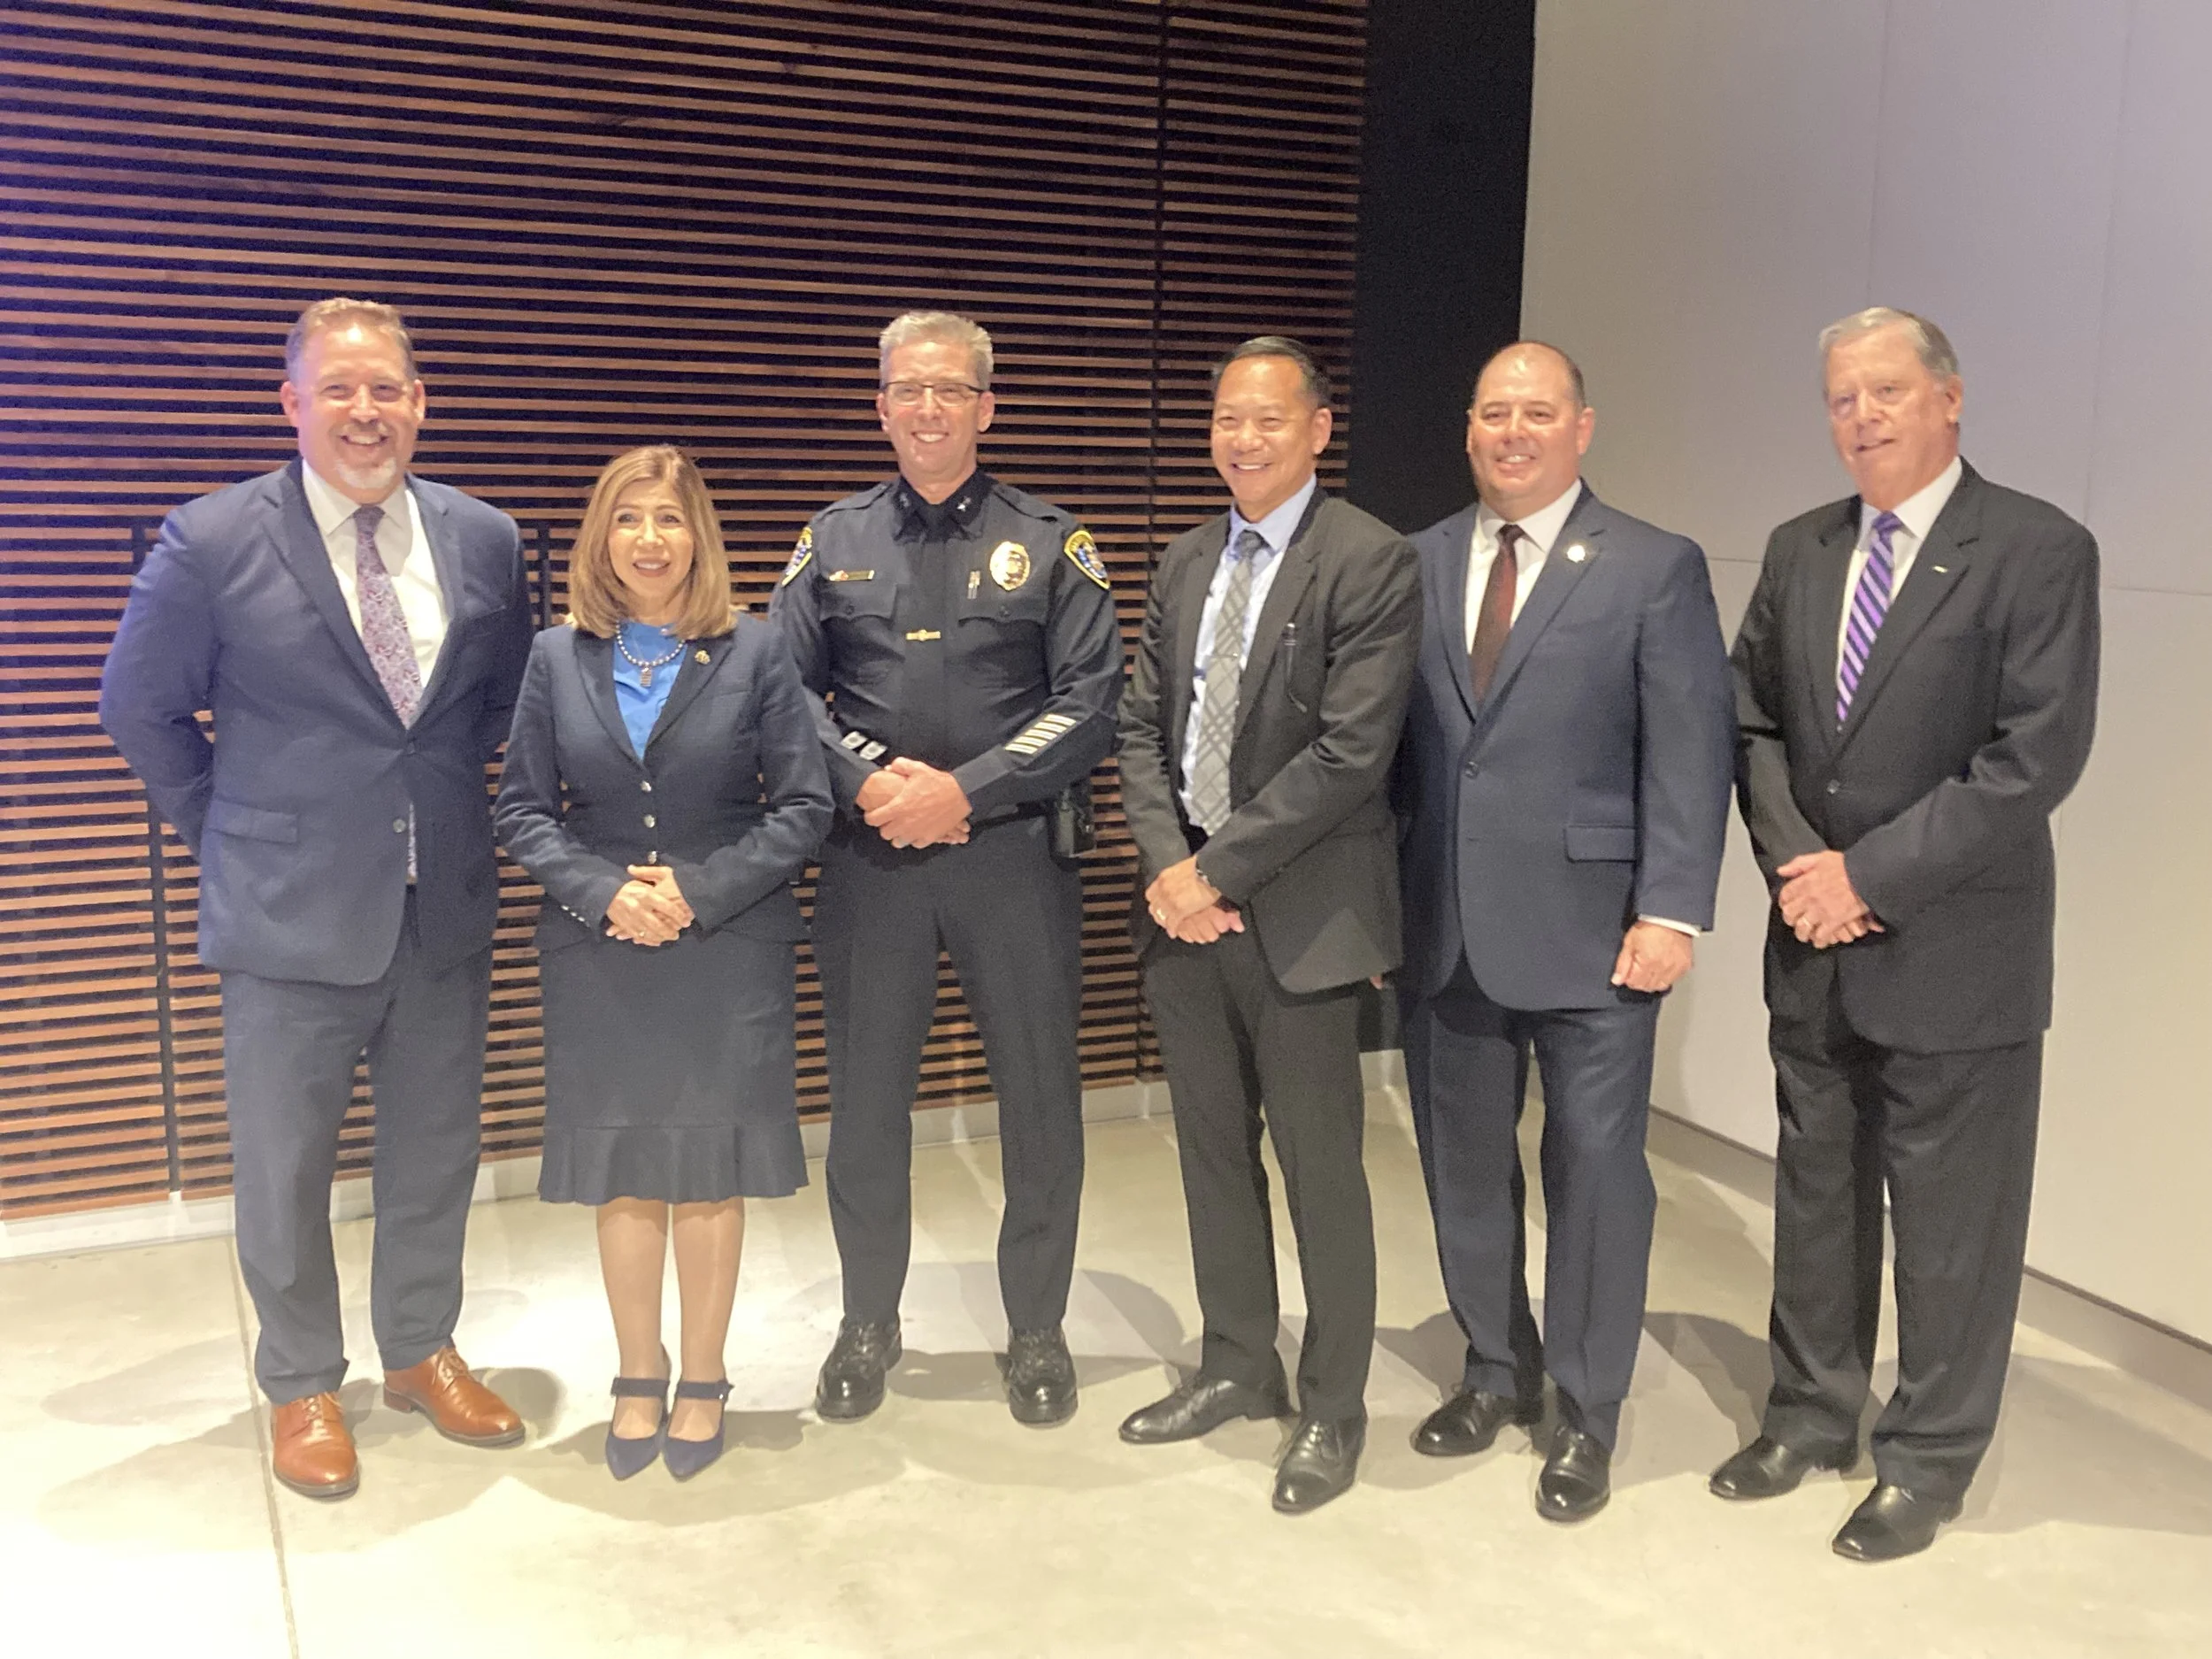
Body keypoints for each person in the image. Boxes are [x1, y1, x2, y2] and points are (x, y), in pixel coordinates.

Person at [99, 298, 534, 1499]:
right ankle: (300, 1380)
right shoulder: (211, 540)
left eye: (386, 387)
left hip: (439, 905)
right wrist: (225, 828)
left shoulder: (485, 538)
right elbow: (137, 704)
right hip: (284, 913)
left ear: (420, 401)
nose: (364, 410)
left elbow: (503, 702)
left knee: (436, 1148)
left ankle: (420, 1349)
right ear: (291, 402)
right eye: (337, 388)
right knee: (285, 1165)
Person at [1719, 307, 2100, 1561]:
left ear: (1949, 396)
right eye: (1842, 397)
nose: (1862, 416)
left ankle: (1927, 1458)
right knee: (1816, 1195)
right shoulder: (1801, 547)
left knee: (1951, 1227)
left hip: (1954, 951)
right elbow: (1751, 719)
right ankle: (1809, 1413)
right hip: (1812, 941)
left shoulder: (2037, 548)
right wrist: (1800, 869)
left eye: (1886, 390)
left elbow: (2032, 758)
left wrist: (1867, 878)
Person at [1394, 342, 1734, 1523]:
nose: (1513, 432)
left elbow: (1691, 748)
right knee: (1461, 1164)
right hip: (1447, 925)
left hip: (1600, 937)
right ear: (1468, 427)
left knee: (1595, 1175)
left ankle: (1587, 1410)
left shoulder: (1652, 564)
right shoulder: (1418, 560)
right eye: (1494, 412)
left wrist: (1672, 909)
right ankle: (1497, 1367)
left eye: (1537, 412)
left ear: (1581, 427)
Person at [768, 311, 1121, 1427]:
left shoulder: (1052, 540)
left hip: (1011, 859)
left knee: (1039, 1101)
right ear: (881, 406)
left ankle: (1037, 1329)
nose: (928, 408)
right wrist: (872, 782)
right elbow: (781, 693)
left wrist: (962, 789)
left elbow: (1091, 702)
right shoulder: (831, 538)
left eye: (950, 389)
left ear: (986, 407)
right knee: (867, 1103)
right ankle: (868, 1322)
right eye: (907, 389)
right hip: (870, 860)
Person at [1116, 335, 1420, 1515]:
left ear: (1317, 429)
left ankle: (1333, 1404)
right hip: (1186, 916)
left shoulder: (1370, 558)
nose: (1242, 438)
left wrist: (1215, 869)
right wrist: (1169, 867)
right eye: (1226, 419)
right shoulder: (1187, 558)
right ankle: (1237, 1362)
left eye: (1267, 418)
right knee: (1209, 1152)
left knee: (1319, 1167)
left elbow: (1351, 751)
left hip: (1302, 913)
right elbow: (1142, 726)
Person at [494, 446, 831, 1480]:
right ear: (602, 537)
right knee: (627, 1169)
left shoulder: (756, 651)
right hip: (599, 953)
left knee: (709, 1170)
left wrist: (697, 892)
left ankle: (706, 1378)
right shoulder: (555, 657)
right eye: (629, 518)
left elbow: (804, 806)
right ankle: (638, 1373)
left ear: (700, 538)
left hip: (725, 948)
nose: (649, 538)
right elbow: (521, 809)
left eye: (670, 518)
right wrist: (604, 893)